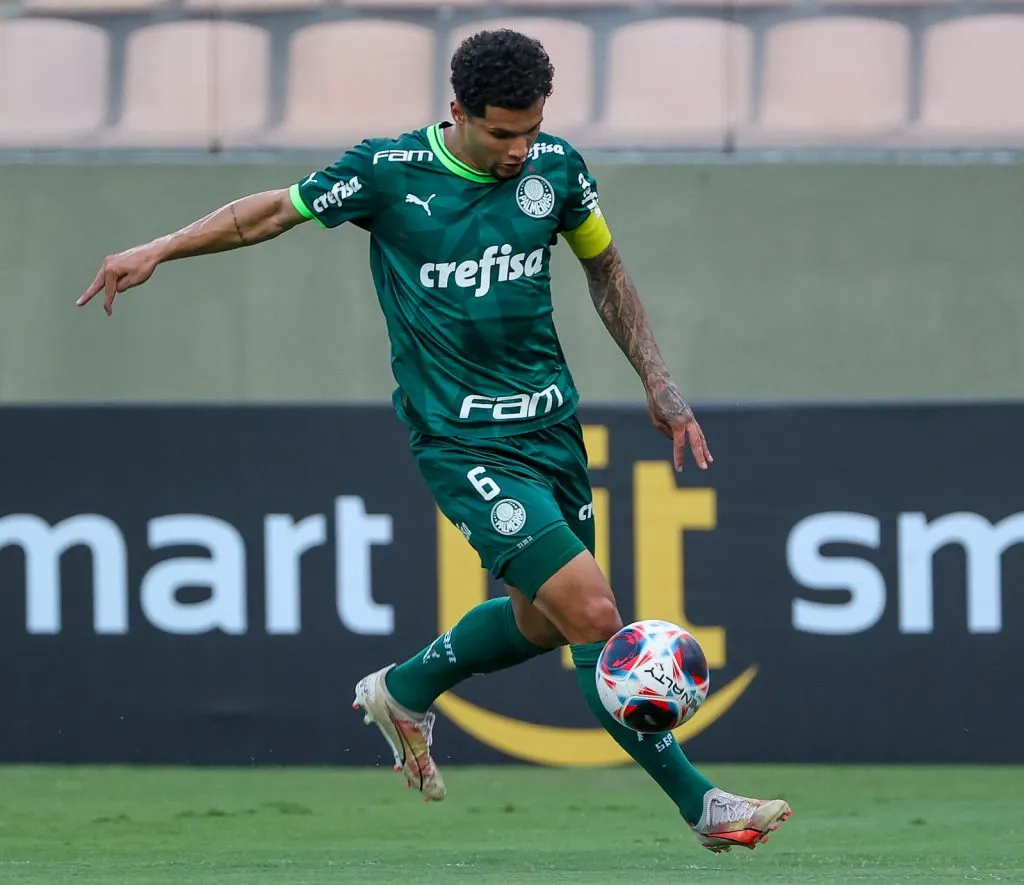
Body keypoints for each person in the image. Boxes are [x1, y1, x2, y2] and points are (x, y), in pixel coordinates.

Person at [77, 28, 790, 853]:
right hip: (463, 442)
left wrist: (658, 386)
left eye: (531, 130)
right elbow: (271, 211)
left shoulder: (556, 169)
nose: (519, 150)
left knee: (545, 621)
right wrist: (159, 247)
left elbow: (606, 267)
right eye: (501, 133)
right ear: (457, 111)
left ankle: (404, 687)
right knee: (594, 614)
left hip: (552, 429)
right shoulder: (387, 174)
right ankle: (703, 806)